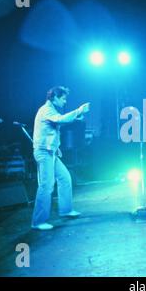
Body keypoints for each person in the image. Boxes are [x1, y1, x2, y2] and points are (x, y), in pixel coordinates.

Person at [31, 86, 90, 230]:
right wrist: (79, 111)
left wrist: (76, 117)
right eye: (63, 98)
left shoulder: (51, 110)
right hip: (43, 153)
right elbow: (60, 120)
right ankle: (38, 222)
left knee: (65, 178)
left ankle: (66, 210)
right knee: (46, 185)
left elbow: (54, 128)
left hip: (51, 153)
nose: (64, 101)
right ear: (54, 97)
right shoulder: (46, 110)